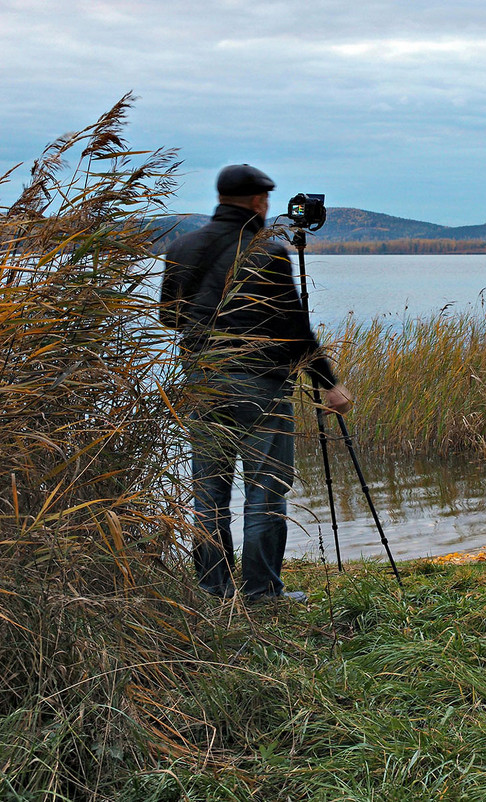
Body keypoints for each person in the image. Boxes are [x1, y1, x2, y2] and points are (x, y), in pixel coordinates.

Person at [160, 164, 351, 603]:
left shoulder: (182, 247)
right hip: (261, 385)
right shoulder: (269, 254)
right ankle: (261, 592)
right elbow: (294, 329)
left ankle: (213, 590)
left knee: (208, 492)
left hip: (203, 382)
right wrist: (328, 384)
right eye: (265, 199)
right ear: (258, 201)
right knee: (265, 490)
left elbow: (167, 318)